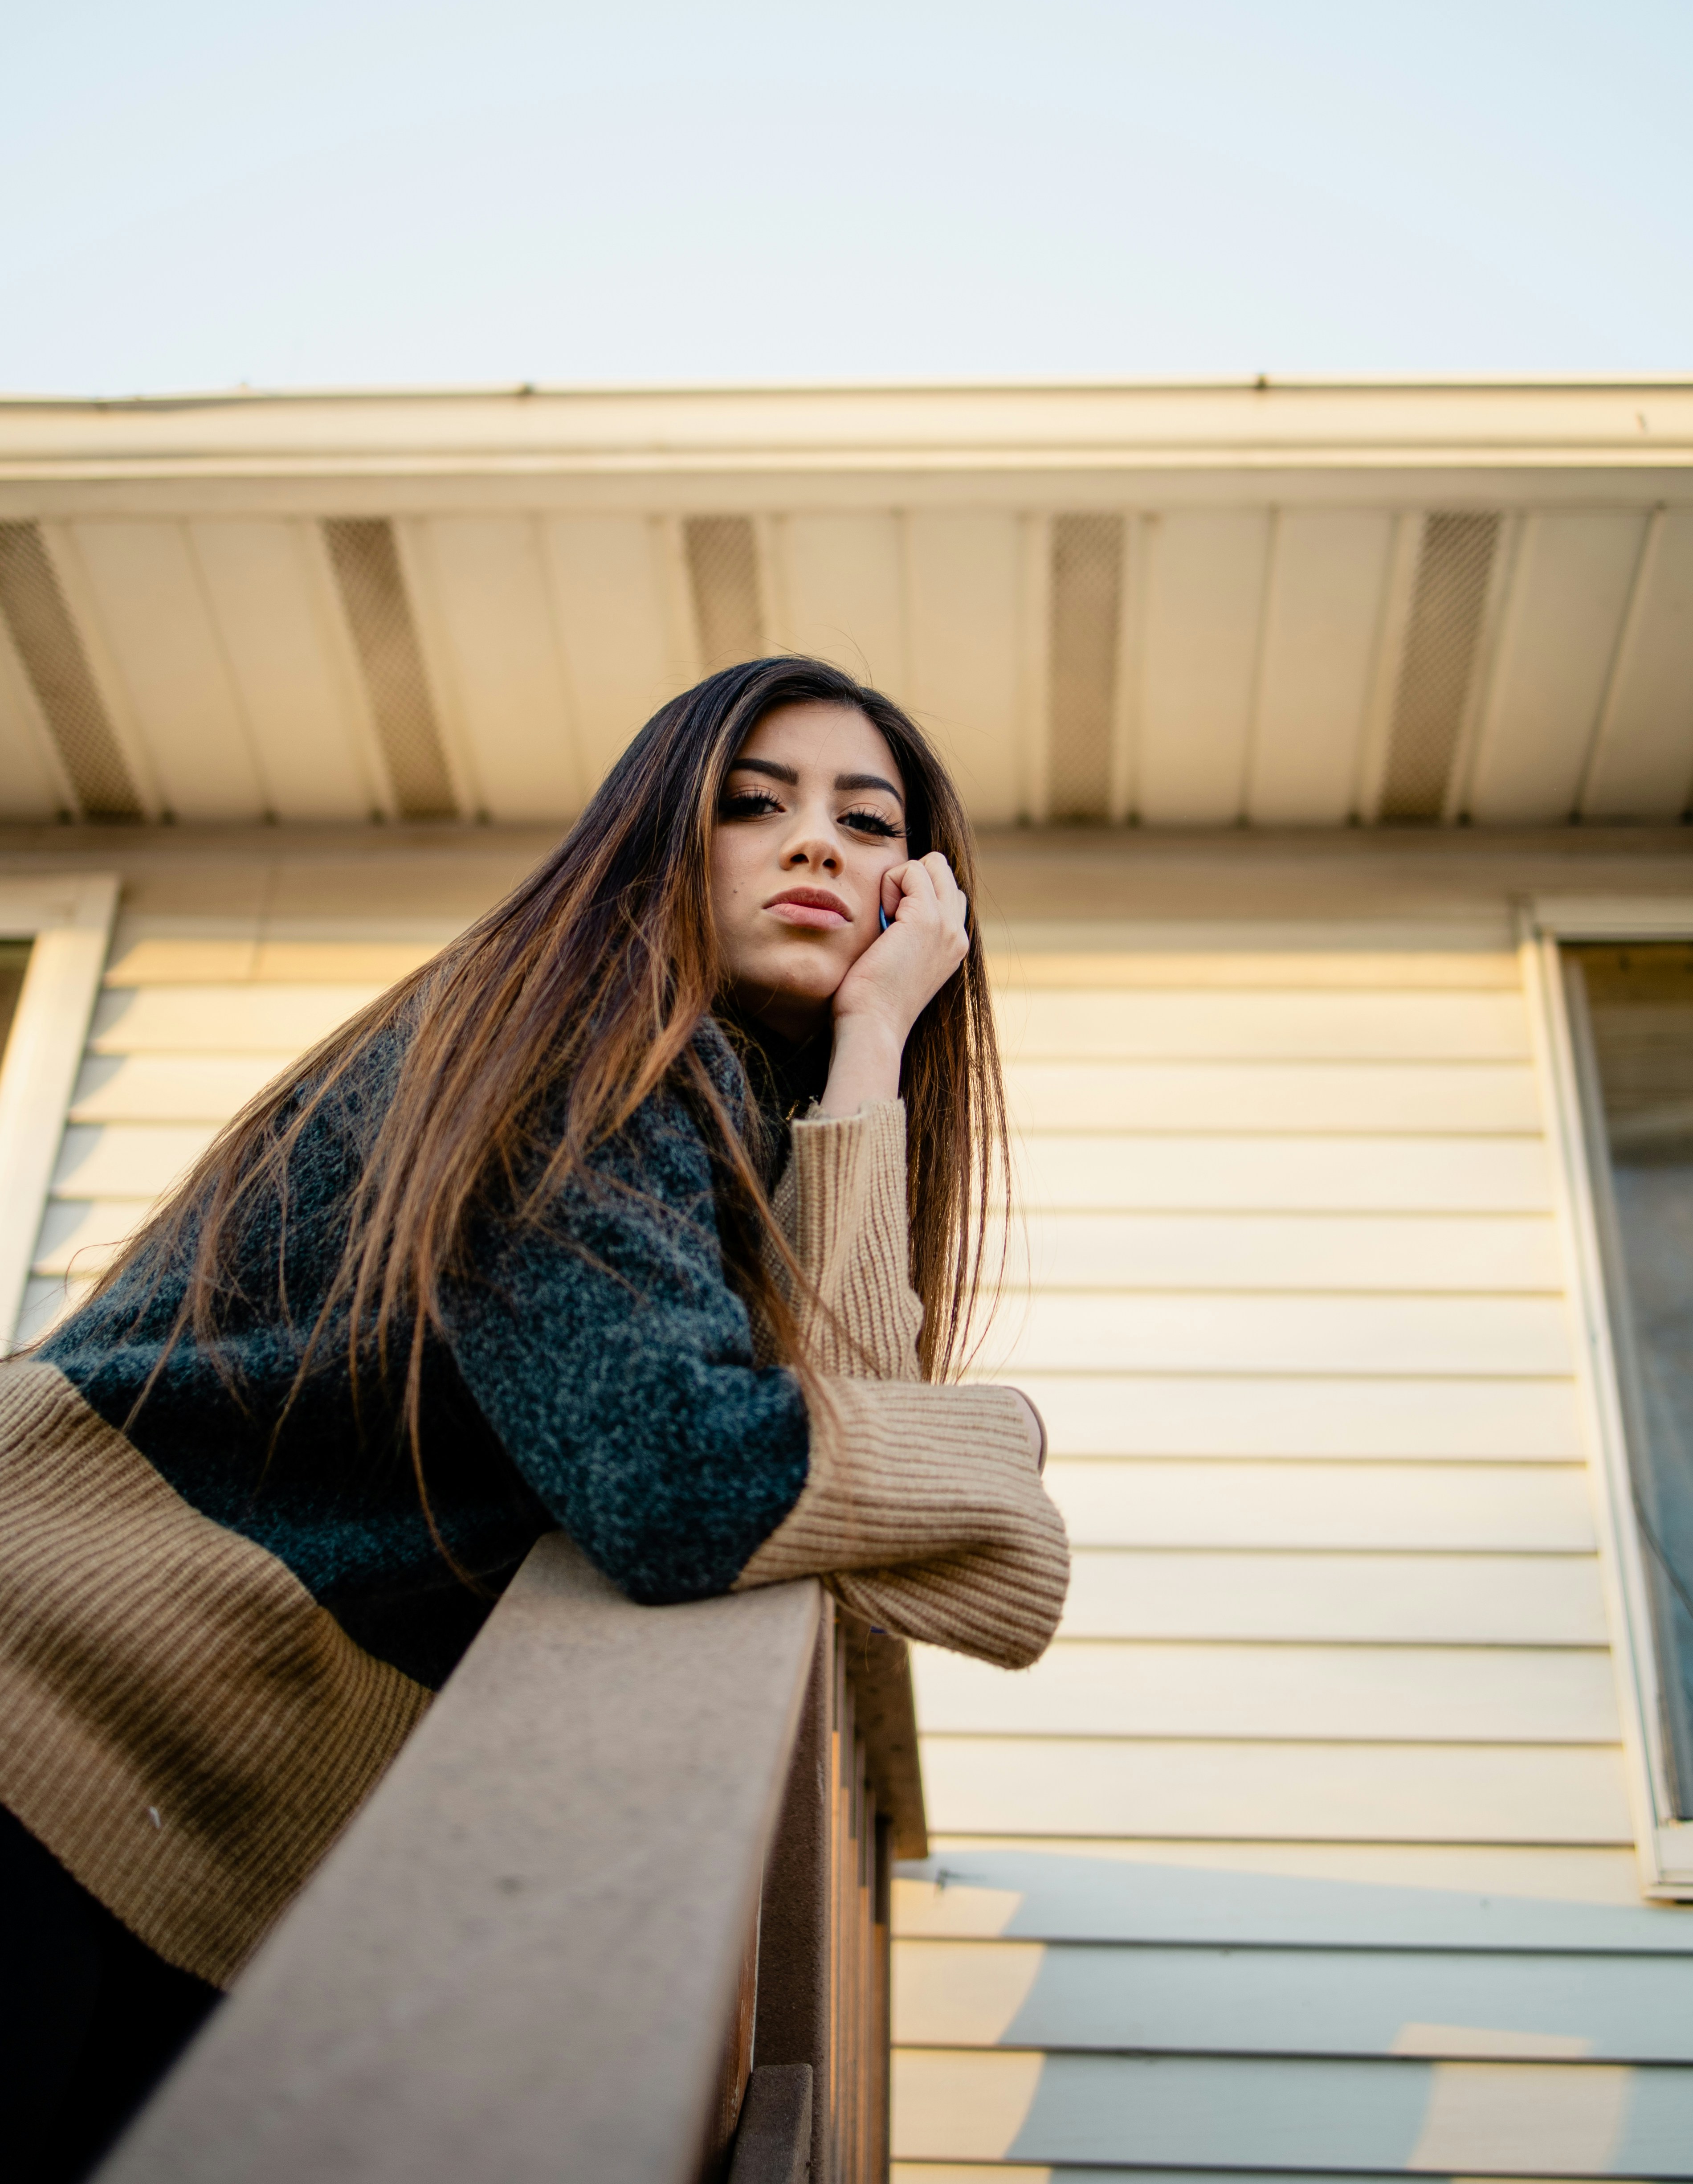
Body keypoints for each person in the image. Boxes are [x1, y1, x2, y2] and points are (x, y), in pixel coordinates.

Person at [0, 655, 1069, 2177]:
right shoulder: (579, 1040)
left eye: (868, 822)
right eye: (750, 805)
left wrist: (877, 1046)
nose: (818, 844)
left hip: (193, 1800)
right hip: (51, 1690)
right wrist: (991, 1449)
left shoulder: (729, 1120)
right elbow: (679, 1474)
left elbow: (822, 1418)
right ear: (653, 840)